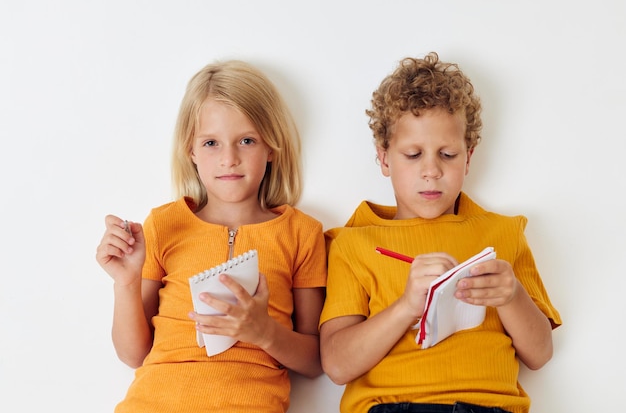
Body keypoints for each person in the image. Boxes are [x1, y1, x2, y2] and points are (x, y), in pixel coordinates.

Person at [319, 52, 561, 413]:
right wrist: (406, 307)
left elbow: (540, 354)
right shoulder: (353, 243)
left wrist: (512, 297)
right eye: (413, 154)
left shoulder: (504, 233)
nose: (431, 171)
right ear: (384, 159)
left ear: (468, 157)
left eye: (447, 154)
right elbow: (337, 365)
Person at [96, 60, 327, 413]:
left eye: (246, 141)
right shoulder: (163, 223)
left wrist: (264, 331)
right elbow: (133, 355)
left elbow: (314, 361)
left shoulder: (302, 233)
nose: (229, 159)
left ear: (270, 148)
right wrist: (125, 283)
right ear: (190, 151)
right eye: (211, 143)